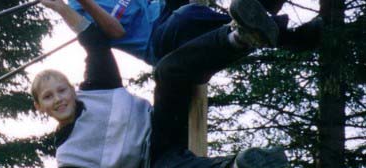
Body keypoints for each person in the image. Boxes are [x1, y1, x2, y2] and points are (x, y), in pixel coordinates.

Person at [32, 0, 309, 168]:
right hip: (154, 159)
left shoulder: (98, 86)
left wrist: (60, 7)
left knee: (167, 70)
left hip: (162, 121)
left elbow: (94, 42)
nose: (58, 99)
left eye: (61, 90)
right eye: (48, 97)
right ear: (40, 107)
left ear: (73, 89)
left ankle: (239, 38)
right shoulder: (70, 155)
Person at [68, 0, 322, 66]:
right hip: (156, 41)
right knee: (187, 16)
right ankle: (287, 37)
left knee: (183, 13)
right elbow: (116, 31)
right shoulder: (77, 9)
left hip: (163, 9)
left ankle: (265, 11)